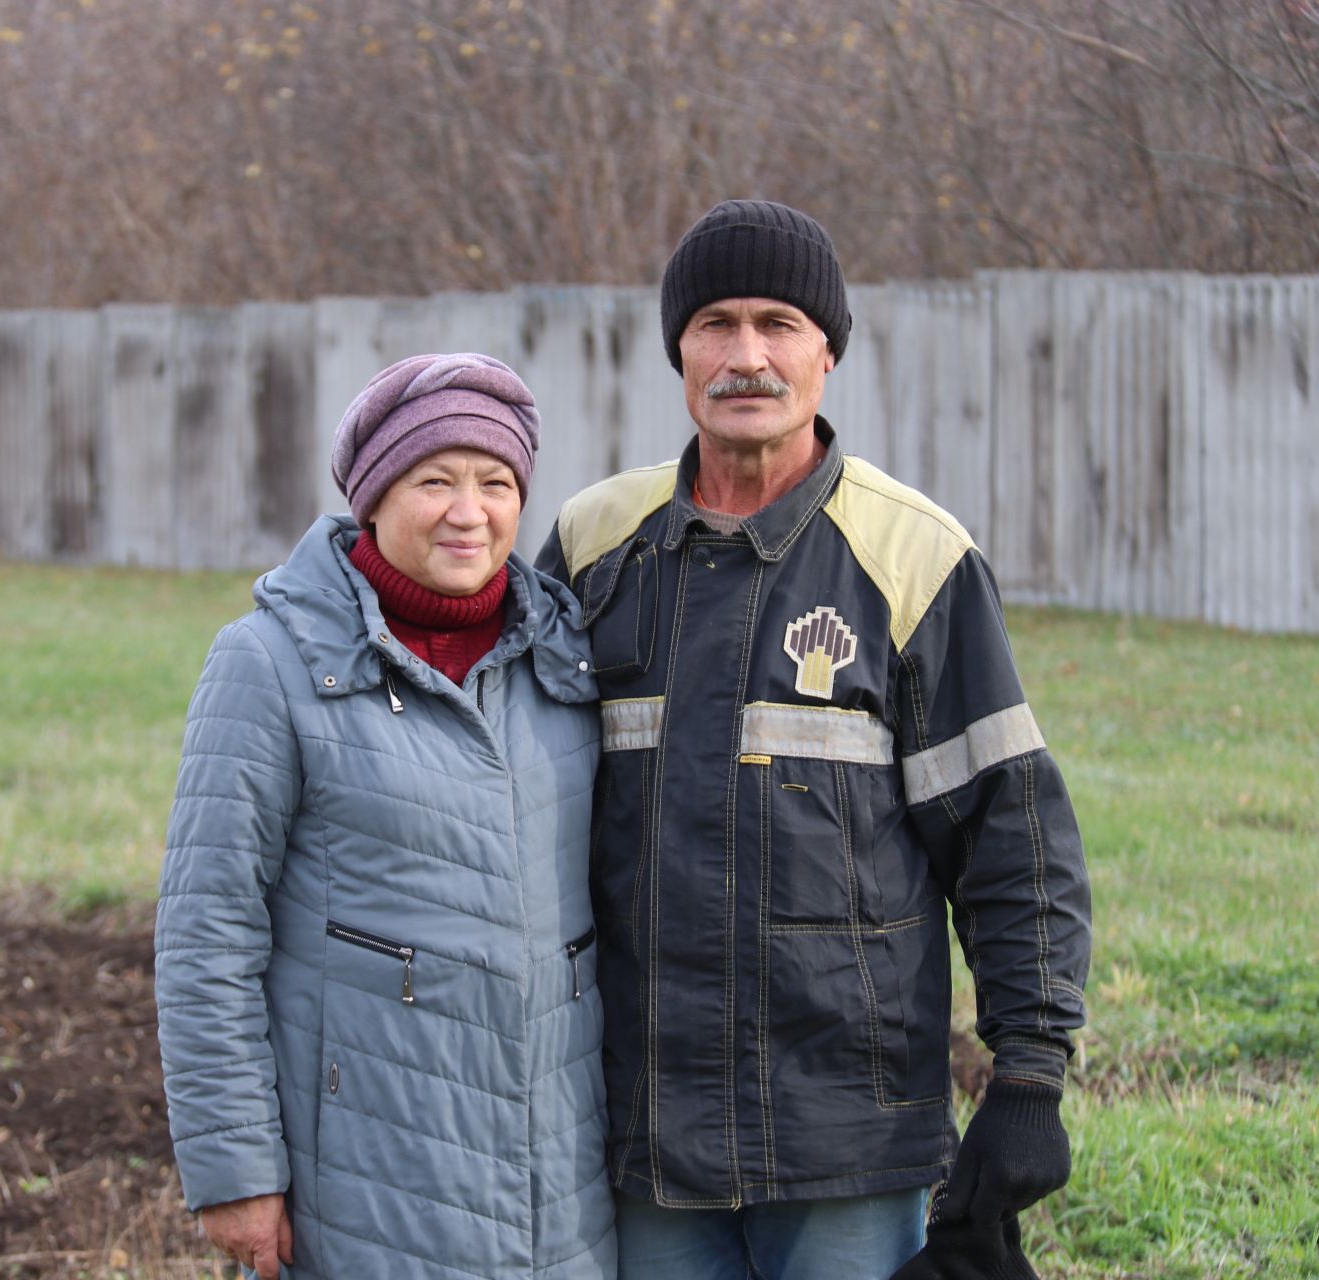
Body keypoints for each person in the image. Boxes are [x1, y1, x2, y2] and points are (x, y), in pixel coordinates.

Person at [536, 199, 1093, 1280]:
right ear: (678, 350)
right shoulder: (592, 546)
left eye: (779, 323)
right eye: (717, 324)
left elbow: (1010, 832)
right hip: (639, 1136)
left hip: (846, 1142)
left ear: (828, 350)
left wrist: (1029, 1071)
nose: (747, 355)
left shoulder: (914, 557)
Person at [153, 353, 616, 1280]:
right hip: (368, 1186)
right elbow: (207, 932)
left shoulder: (566, 659)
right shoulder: (271, 664)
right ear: (373, 498)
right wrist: (235, 1171)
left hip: (562, 1189)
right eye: (433, 480)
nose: (468, 511)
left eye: (495, 482)